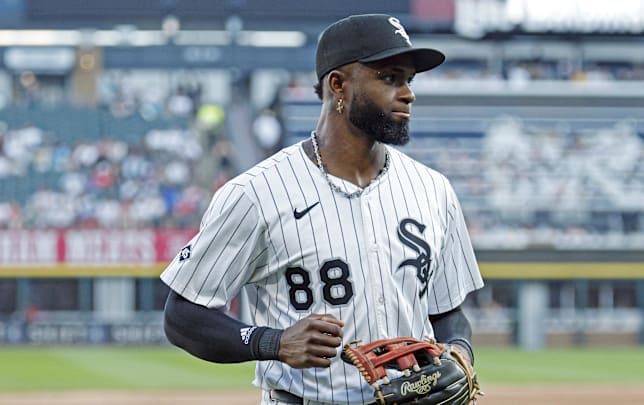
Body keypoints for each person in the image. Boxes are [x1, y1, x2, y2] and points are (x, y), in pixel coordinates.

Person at [161, 13, 484, 405]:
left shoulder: (434, 190)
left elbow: (448, 313)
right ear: (338, 85)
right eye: (389, 78)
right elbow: (182, 316)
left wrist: (459, 351)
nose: (408, 93)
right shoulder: (257, 193)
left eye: (409, 80)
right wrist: (272, 343)